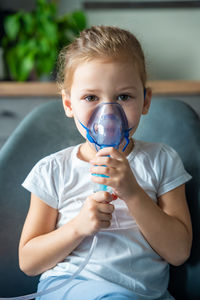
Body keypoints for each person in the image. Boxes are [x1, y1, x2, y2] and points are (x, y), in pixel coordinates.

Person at [19, 26, 192, 300]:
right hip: (69, 288)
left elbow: (179, 252)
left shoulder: (162, 161)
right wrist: (78, 227)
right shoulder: (53, 170)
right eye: (91, 98)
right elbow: (29, 262)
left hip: (142, 295)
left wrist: (134, 193)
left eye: (124, 97)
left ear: (145, 101)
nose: (108, 112)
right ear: (68, 104)